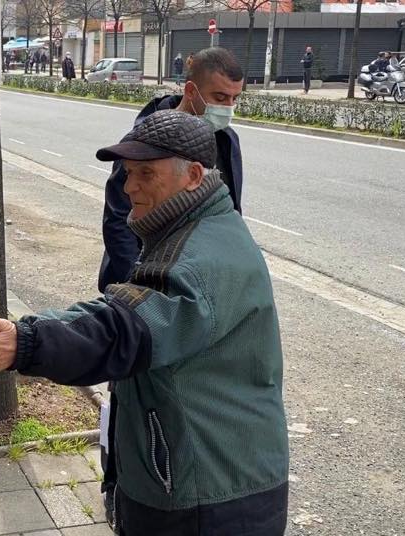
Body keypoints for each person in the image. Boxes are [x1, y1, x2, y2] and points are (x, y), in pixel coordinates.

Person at [0, 110, 289, 536]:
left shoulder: (201, 258)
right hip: (203, 474)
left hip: (207, 495)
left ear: (194, 175)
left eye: (145, 173)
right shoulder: (194, 227)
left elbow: (123, 329)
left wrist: (27, 342)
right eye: (126, 172)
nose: (129, 187)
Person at [97, 47, 245, 528]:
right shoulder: (142, 141)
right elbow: (120, 220)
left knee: (187, 395)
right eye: (220, 96)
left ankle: (183, 484)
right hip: (145, 287)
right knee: (133, 389)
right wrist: (143, 290)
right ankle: (117, 482)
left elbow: (229, 215)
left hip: (198, 293)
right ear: (192, 90)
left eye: (236, 97)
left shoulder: (227, 142)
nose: (228, 106)